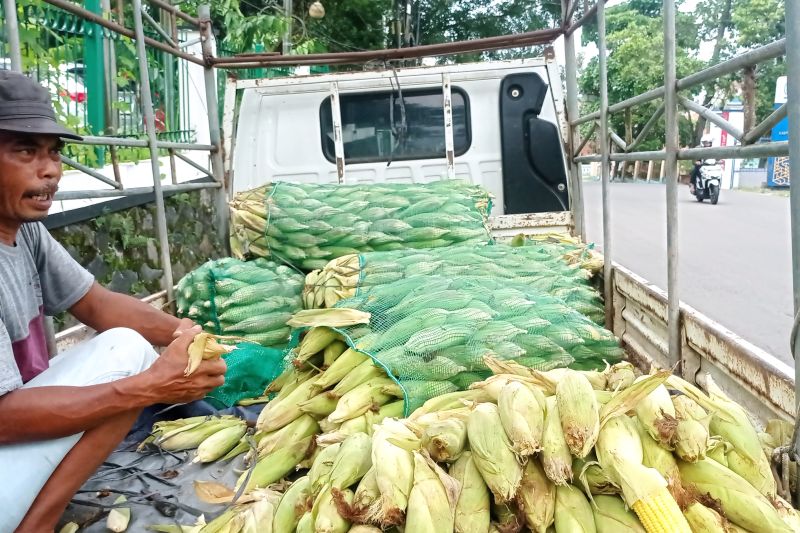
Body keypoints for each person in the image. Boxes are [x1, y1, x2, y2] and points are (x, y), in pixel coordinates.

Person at [0, 71, 227, 532]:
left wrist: (188, 334)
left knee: (129, 347)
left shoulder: (25, 234)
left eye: (54, 152)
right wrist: (152, 387)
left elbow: (97, 304)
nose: (51, 170)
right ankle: (35, 525)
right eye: (26, 151)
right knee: (133, 369)